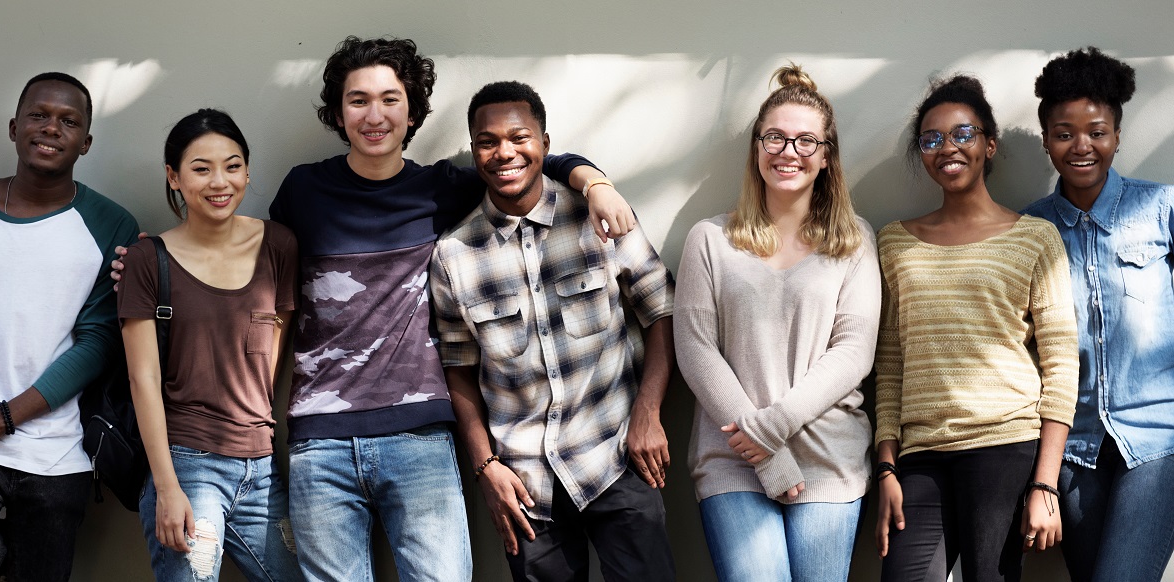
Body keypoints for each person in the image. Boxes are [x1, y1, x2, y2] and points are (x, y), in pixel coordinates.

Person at [266, 37, 637, 581]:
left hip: (421, 438)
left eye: (391, 99)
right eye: (358, 100)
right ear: (338, 112)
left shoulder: (443, 189)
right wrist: (152, 258)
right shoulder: (303, 191)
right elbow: (252, 269)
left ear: (412, 110)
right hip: (320, 440)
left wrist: (594, 181)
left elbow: (526, 159)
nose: (375, 115)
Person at [430, 80, 676, 581]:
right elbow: (458, 372)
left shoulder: (597, 216)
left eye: (519, 137)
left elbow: (664, 311)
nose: (505, 152)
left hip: (615, 458)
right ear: (475, 150)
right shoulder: (454, 256)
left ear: (544, 142)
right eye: (487, 141)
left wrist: (649, 413)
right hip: (524, 487)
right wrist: (485, 468)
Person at [673, 64, 878, 582]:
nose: (789, 152)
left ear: (827, 157)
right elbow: (696, 351)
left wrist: (773, 429)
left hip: (830, 458)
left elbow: (854, 351)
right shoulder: (709, 239)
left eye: (806, 141)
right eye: (776, 138)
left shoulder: (855, 240)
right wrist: (765, 454)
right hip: (733, 459)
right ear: (756, 148)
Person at [874, 75, 1079, 582]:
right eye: (932, 138)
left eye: (963, 134)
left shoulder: (1035, 237)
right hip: (921, 455)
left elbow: (1060, 364)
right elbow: (891, 361)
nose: (948, 148)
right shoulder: (895, 243)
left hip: (1006, 446)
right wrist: (886, 466)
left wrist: (1046, 486)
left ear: (989, 145)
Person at [117, 109, 301, 581]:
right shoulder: (145, 259)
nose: (220, 181)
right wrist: (166, 488)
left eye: (233, 165)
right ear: (173, 178)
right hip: (186, 464)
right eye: (201, 168)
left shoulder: (278, 245)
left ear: (247, 170)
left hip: (261, 467)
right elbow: (144, 379)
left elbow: (270, 363)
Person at [0, 72, 139, 581]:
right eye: (38, 115)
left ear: (85, 142)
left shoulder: (111, 224)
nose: (51, 128)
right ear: (13, 127)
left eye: (68, 122)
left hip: (55, 452)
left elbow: (99, 342)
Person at [1021, 47, 1174, 582]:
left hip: (1158, 439)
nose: (1081, 146)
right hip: (1071, 450)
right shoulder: (1027, 231)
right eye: (1064, 133)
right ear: (1045, 139)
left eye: (1097, 131)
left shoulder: (1162, 208)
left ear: (1117, 135)